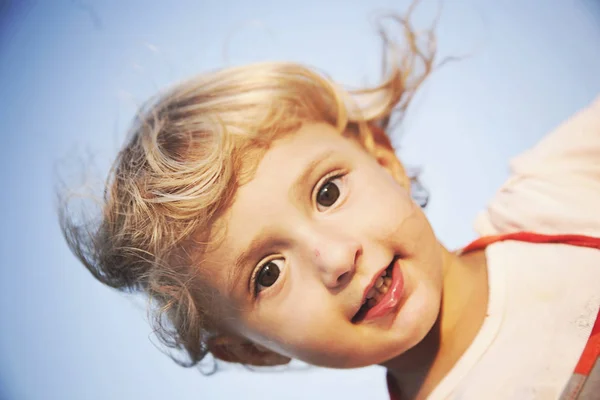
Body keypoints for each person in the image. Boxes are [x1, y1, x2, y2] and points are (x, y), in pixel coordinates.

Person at [58, 7, 600, 399]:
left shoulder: (557, 193)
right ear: (254, 351)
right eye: (268, 273)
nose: (337, 261)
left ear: (385, 163)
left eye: (327, 192)